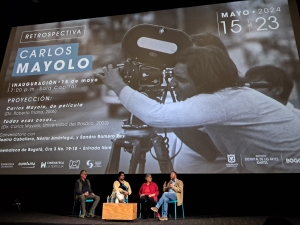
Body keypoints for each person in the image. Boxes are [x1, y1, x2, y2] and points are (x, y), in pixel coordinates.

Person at [97, 45, 300, 173]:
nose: (173, 84)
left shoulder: (220, 101)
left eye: (181, 79)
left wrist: (118, 85)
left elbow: (154, 115)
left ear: (204, 81)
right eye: (173, 77)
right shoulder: (231, 95)